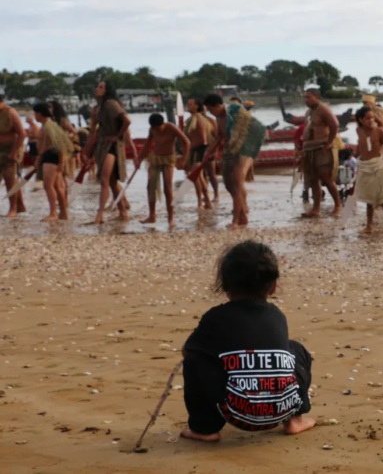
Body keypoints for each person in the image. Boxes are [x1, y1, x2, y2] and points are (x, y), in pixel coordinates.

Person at [181, 240, 316, 442]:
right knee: (297, 350)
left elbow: (188, 351)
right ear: (273, 286)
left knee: (195, 360)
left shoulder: (216, 317)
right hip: (280, 409)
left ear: (225, 284)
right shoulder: (277, 316)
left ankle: (204, 427)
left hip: (239, 413)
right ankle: (295, 419)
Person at [202, 94, 265, 228]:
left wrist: (233, 148)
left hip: (242, 150)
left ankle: (236, 221)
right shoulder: (218, 117)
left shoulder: (236, 112)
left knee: (236, 183)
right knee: (229, 185)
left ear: (218, 106)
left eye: (211, 110)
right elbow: (219, 136)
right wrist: (209, 151)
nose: (210, 113)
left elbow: (244, 131)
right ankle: (242, 217)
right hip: (229, 150)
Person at [82, 81, 131, 224]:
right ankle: (123, 212)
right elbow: (93, 132)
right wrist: (87, 150)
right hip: (103, 145)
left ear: (107, 90)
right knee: (111, 181)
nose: (97, 88)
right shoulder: (99, 107)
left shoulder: (110, 104)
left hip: (112, 146)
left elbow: (127, 121)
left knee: (104, 179)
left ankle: (99, 215)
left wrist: (118, 136)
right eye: (97, 86)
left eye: (101, 87)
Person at [135, 114, 190, 227]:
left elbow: (187, 142)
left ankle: (171, 218)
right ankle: (152, 216)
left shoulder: (171, 127)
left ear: (162, 124)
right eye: (153, 128)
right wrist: (139, 159)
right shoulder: (152, 129)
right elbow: (147, 144)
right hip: (155, 158)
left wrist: (184, 159)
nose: (156, 130)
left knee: (168, 189)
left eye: (157, 128)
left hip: (168, 159)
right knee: (150, 187)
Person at [298, 88, 341, 218]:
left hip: (322, 147)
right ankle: (316, 209)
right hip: (309, 149)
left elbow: (335, 125)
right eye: (305, 97)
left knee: (326, 179)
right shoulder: (308, 112)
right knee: (312, 180)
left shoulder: (324, 109)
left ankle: (338, 205)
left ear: (317, 97)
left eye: (309, 97)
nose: (306, 100)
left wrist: (328, 143)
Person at [354, 107, 383, 233]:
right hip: (365, 168)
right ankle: (369, 225)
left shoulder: (380, 131)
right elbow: (360, 147)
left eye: (372, 117)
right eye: (367, 118)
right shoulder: (358, 130)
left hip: (378, 167)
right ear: (360, 120)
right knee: (369, 199)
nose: (371, 120)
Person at [32, 103, 72, 221]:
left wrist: (61, 162)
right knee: (57, 186)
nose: (34, 116)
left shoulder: (48, 126)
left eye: (35, 113)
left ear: (39, 114)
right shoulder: (50, 125)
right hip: (51, 157)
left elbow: (58, 145)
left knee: (48, 186)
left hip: (51, 157)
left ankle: (53, 212)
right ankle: (63, 213)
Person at [185, 98, 215, 209]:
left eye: (190, 104)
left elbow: (203, 139)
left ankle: (203, 201)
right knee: (197, 177)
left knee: (197, 176)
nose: (187, 106)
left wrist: (190, 149)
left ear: (196, 106)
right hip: (196, 149)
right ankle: (204, 201)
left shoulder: (199, 120)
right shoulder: (193, 119)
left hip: (199, 149)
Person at [0, 95, 27, 217]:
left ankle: (13, 208)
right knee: (11, 179)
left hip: (11, 150)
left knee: (10, 178)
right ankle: (20, 205)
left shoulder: (10, 112)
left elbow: (21, 134)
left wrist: (14, 152)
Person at [50, 100, 80, 179]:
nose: (48, 109)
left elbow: (73, 131)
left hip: (61, 148)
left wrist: (65, 138)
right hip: (52, 147)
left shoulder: (62, 120)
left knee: (62, 171)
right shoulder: (50, 120)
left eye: (50, 107)